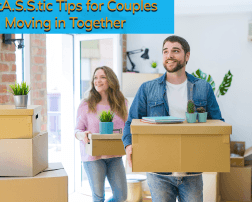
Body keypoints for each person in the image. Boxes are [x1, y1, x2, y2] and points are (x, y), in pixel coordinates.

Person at [122, 35, 224, 202]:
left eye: (175, 51)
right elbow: (131, 122)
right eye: (165, 51)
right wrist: (128, 144)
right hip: (158, 171)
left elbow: (217, 123)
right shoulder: (147, 89)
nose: (169, 55)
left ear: (187, 56)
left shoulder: (203, 87)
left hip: (193, 170)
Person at [75, 66, 128, 202]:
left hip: (115, 155)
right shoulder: (86, 105)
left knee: (121, 197)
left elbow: (127, 127)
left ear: (111, 80)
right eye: (95, 78)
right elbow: (77, 131)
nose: (98, 81)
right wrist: (83, 134)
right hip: (93, 157)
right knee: (98, 198)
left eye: (102, 77)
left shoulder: (122, 104)